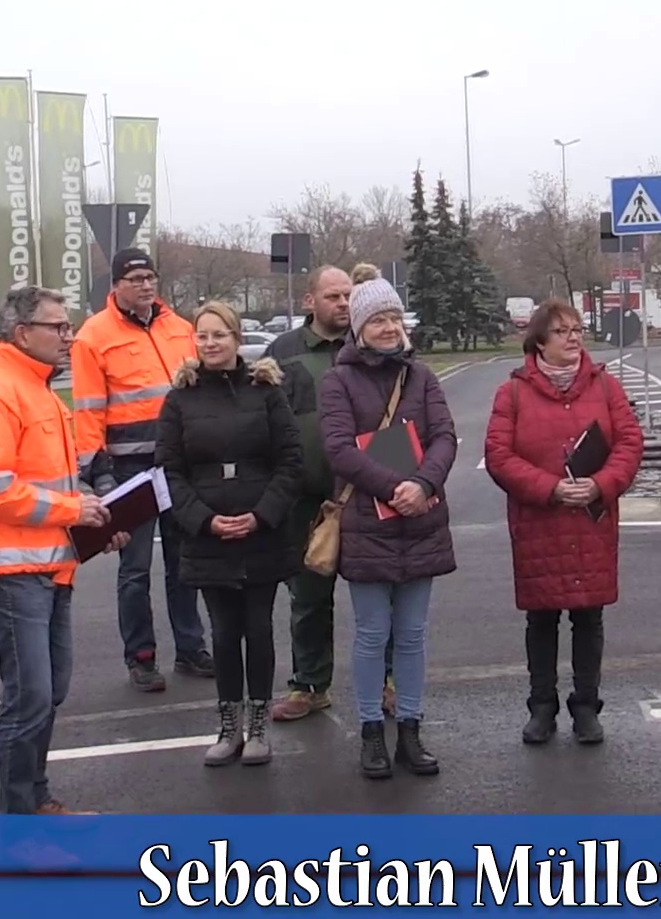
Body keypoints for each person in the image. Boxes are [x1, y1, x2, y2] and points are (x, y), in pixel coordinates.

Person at [0, 286, 130, 814]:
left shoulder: (39, 390)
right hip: (13, 572)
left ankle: (37, 799)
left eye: (68, 325)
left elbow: (52, 482)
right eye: (58, 326)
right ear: (22, 333)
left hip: (48, 566)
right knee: (29, 699)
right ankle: (21, 820)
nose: (69, 335)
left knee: (47, 694)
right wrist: (74, 512)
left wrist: (97, 515)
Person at [318, 265, 458, 780]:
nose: (388, 327)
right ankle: (372, 732)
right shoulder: (338, 380)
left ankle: (412, 729)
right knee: (374, 633)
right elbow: (336, 448)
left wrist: (421, 485)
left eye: (395, 317)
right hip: (367, 522)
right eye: (377, 319)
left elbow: (445, 436)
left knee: (415, 633)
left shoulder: (421, 376)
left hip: (420, 519)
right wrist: (392, 488)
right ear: (358, 326)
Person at [484, 299, 644, 745]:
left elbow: (630, 442)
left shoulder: (605, 386)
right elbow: (498, 455)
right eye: (562, 331)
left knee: (588, 618)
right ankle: (542, 706)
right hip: (540, 520)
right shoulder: (512, 392)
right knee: (542, 619)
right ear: (539, 340)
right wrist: (548, 487)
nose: (574, 338)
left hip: (591, 519)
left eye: (577, 330)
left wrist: (601, 484)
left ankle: (587, 706)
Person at [156, 301, 306, 767]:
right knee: (222, 633)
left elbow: (290, 461)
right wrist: (202, 519)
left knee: (258, 629)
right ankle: (228, 725)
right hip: (207, 537)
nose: (210, 343)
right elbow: (168, 470)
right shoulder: (179, 399)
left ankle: (258, 724)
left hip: (261, 533)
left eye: (219, 334)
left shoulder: (266, 392)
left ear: (237, 338)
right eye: (202, 336)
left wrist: (262, 514)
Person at [71, 247, 213, 691]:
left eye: (150, 277)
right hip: (128, 466)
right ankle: (141, 656)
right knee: (134, 569)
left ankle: (190, 648)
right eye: (135, 279)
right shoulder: (93, 336)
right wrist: (99, 472)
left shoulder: (182, 329)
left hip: (178, 462)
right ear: (116, 286)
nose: (146, 285)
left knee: (184, 562)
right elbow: (88, 411)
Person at [264, 264, 394, 722]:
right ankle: (310, 684)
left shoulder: (370, 348)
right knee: (309, 597)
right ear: (309, 301)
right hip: (306, 500)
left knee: (380, 596)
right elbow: (269, 422)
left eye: (348, 296)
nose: (342, 303)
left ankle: (389, 682)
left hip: (366, 495)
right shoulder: (283, 352)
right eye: (333, 296)